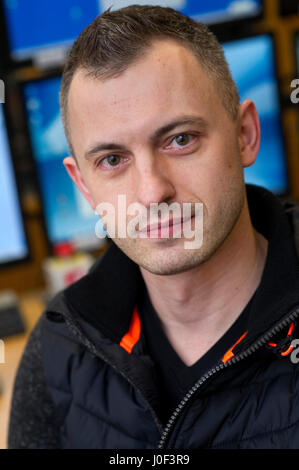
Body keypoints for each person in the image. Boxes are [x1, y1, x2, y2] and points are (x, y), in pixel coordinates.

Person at [8, 5, 299, 449]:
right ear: (83, 187)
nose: (151, 192)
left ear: (245, 135)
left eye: (180, 139)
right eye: (112, 160)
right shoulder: (56, 349)